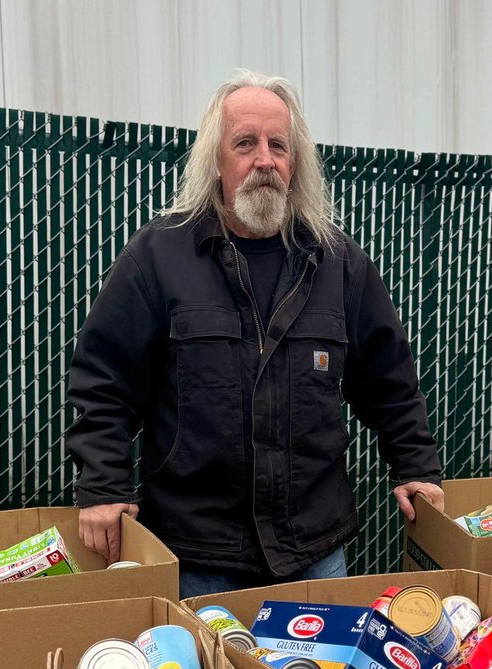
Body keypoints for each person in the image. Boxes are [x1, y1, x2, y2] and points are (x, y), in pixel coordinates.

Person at [65, 69, 444, 597]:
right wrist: (103, 486)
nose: (264, 159)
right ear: (216, 160)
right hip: (197, 553)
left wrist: (415, 467)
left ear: (295, 162)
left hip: (314, 549)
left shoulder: (339, 264)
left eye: (278, 146)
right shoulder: (158, 257)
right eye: (245, 143)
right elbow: (104, 381)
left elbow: (389, 382)